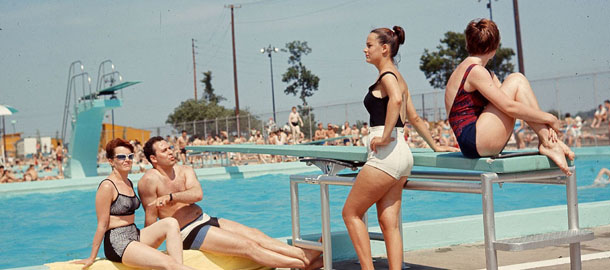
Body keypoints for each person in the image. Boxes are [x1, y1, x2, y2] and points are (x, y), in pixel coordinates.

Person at [342, 26, 457, 270]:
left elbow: (394, 100)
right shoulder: (398, 76)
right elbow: (413, 117)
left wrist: (384, 137)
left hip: (387, 154)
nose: (365, 49)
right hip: (402, 156)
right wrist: (434, 145)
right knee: (388, 223)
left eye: (369, 45)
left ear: (384, 49)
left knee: (350, 214)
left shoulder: (387, 77)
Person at [137, 137, 322, 269]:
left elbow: (197, 194)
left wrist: (171, 197)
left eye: (170, 148)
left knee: (256, 235)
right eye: (164, 150)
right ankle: (303, 263)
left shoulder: (185, 170)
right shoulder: (149, 181)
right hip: (187, 232)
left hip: (204, 219)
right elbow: (151, 221)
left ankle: (302, 256)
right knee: (248, 247)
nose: (170, 152)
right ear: (153, 159)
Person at [445, 18, 574, 175]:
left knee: (516, 82)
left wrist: (544, 125)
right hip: (475, 141)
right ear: (495, 47)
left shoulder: (478, 71)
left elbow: (514, 100)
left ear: (468, 44)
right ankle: (548, 142)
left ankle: (547, 140)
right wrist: (549, 118)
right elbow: (509, 107)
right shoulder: (475, 71)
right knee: (517, 79)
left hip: (474, 142)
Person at [73, 138, 193, 270]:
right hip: (118, 241)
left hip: (135, 235)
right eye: (121, 157)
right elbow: (102, 224)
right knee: (168, 263)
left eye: (130, 156)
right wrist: (92, 257)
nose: (127, 160)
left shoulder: (128, 182)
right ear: (111, 161)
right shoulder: (107, 186)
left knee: (170, 223)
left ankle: (178, 267)